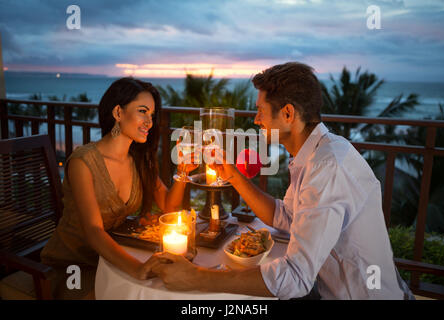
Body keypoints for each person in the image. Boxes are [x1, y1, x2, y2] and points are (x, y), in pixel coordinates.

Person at [149, 62, 415, 300]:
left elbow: (295, 278)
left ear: (288, 114)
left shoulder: (328, 167)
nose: (256, 120)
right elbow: (286, 217)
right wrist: (233, 175)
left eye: (261, 112)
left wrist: (196, 277)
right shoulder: (313, 154)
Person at [40, 77, 196, 299]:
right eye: (142, 111)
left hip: (110, 260)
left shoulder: (139, 159)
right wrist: (137, 268)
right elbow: (94, 231)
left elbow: (168, 207)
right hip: (71, 266)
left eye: (151, 115)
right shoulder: (83, 162)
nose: (149, 122)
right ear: (118, 113)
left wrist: (183, 171)